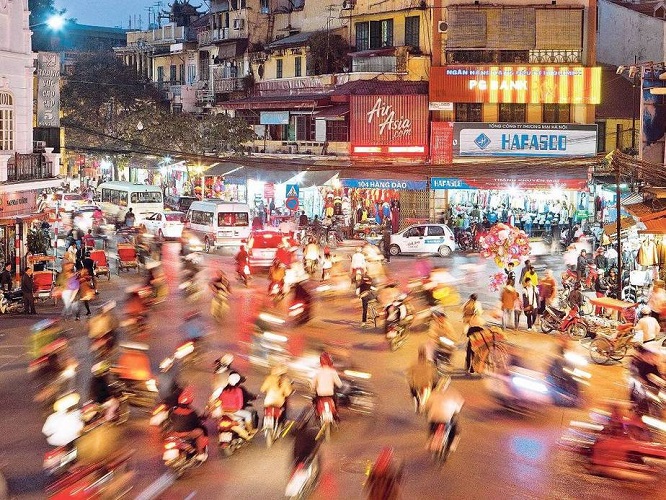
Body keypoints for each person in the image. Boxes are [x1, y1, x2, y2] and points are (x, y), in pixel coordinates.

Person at [169, 386, 208, 461]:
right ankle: (200, 454)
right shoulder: (191, 412)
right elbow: (197, 422)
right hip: (187, 434)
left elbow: (171, 420)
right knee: (200, 432)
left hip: (176, 434)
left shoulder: (174, 411)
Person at [425, 377, 464, 450]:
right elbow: (460, 403)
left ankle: (429, 440)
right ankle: (451, 446)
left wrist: (427, 410)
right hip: (446, 417)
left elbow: (427, 404)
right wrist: (456, 410)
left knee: (431, 426)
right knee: (455, 429)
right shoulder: (452, 392)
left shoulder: (434, 392)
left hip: (434, 416)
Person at [217, 372, 256, 438]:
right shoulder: (238, 390)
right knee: (248, 414)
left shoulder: (224, 390)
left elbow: (219, 400)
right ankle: (250, 430)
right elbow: (240, 405)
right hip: (234, 412)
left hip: (224, 412)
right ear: (237, 382)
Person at [311, 352, 342, 420]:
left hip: (320, 394)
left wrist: (312, 389)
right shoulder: (332, 371)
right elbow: (339, 384)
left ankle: (317, 415)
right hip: (330, 394)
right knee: (336, 400)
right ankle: (335, 414)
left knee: (315, 401)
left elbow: (313, 384)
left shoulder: (317, 371)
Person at [406, 346, 438, 411]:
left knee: (413, 392)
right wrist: (435, 384)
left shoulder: (414, 364)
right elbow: (434, 376)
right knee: (433, 392)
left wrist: (411, 384)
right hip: (426, 384)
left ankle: (416, 400)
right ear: (425, 355)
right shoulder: (430, 364)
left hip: (416, 385)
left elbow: (409, 375)